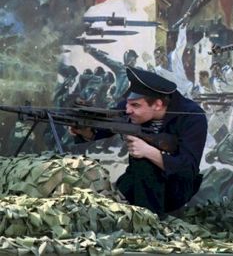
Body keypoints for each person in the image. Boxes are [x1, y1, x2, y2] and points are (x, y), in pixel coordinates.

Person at [71, 66, 207, 217]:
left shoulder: (192, 116)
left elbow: (187, 169)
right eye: (128, 103)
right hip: (136, 179)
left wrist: (148, 151)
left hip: (174, 189)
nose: (128, 110)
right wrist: (85, 132)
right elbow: (103, 128)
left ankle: (151, 222)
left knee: (143, 163)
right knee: (109, 206)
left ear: (157, 104)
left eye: (135, 105)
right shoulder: (131, 107)